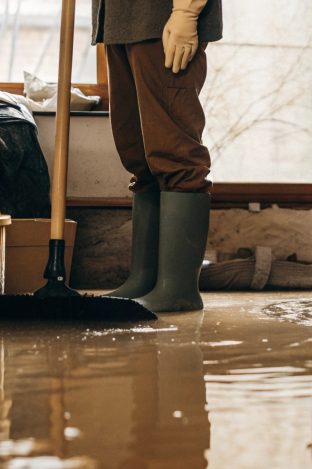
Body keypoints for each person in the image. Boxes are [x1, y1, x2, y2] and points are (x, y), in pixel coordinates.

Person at [91, 0, 223, 312]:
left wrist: (187, 10)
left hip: (160, 17)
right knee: (137, 153)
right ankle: (144, 278)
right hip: (118, 22)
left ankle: (177, 288)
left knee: (173, 150)